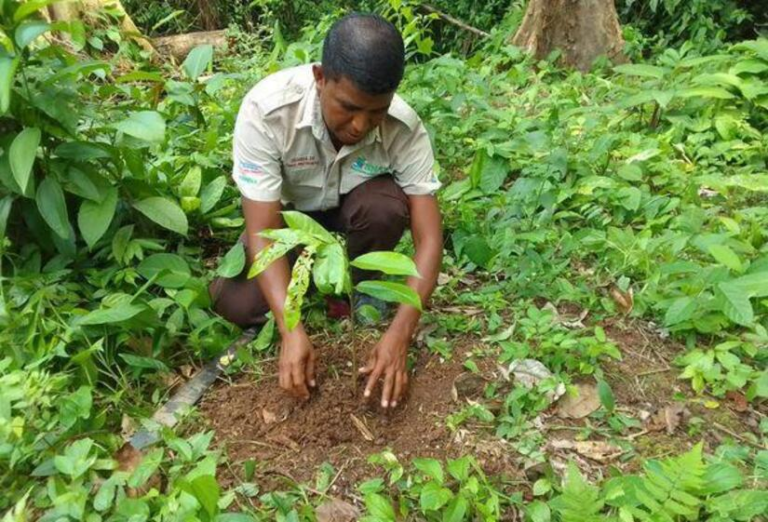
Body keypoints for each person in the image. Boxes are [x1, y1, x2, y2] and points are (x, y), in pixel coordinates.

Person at [209, 13, 443, 409]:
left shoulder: (403, 127)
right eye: (349, 107)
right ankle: (310, 285)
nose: (360, 125)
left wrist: (400, 335)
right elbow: (263, 232)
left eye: (376, 112)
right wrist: (291, 328)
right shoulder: (267, 112)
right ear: (320, 77)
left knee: (383, 207)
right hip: (289, 226)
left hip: (357, 214)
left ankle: (355, 286)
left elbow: (430, 238)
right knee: (237, 304)